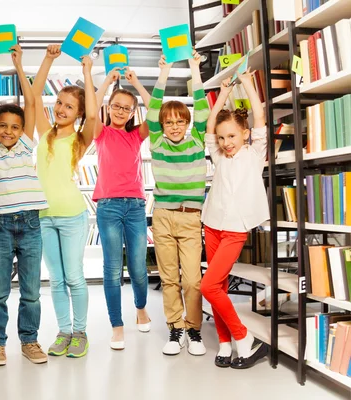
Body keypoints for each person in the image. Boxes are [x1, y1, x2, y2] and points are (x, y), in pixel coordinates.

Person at [0, 45, 48, 366]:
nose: (9, 131)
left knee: (31, 290)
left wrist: (19, 65)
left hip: (31, 223)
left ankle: (30, 340)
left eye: (15, 127)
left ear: (22, 131)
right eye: (3, 125)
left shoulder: (26, 144)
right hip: (0, 226)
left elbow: (31, 101)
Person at [201, 71, 269, 369]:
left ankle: (245, 339)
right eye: (222, 137)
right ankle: (226, 342)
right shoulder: (218, 155)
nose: (227, 142)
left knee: (208, 286)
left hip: (235, 230)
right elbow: (208, 126)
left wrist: (248, 84)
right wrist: (223, 95)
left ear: (245, 134)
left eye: (232, 136)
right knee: (220, 287)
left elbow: (259, 115)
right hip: (212, 223)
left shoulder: (255, 154)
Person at [31, 44, 96, 358]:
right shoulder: (45, 133)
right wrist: (48, 59)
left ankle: (81, 332)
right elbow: (33, 96)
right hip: (43, 216)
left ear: (78, 113)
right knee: (55, 279)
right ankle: (63, 331)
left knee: (74, 276)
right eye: (59, 102)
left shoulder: (80, 139)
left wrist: (87, 72)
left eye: (70, 106)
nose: (61, 108)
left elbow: (95, 113)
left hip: (72, 216)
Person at [146, 51, 209, 356]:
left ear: (187, 123)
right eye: (168, 122)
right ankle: (176, 330)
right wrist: (165, 71)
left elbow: (203, 107)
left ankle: (194, 330)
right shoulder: (156, 140)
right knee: (169, 278)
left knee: (193, 280)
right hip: (162, 216)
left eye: (179, 121)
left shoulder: (197, 138)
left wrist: (194, 68)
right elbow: (153, 109)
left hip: (190, 217)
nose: (173, 126)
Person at [93, 67, 151, 350]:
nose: (120, 111)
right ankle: (117, 325)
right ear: (109, 107)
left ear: (132, 113)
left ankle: (141, 307)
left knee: (139, 268)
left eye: (126, 108)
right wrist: (106, 82)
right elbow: (92, 110)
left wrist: (136, 84)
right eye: (116, 106)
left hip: (136, 207)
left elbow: (156, 111)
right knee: (112, 269)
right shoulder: (101, 133)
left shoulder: (136, 135)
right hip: (108, 207)